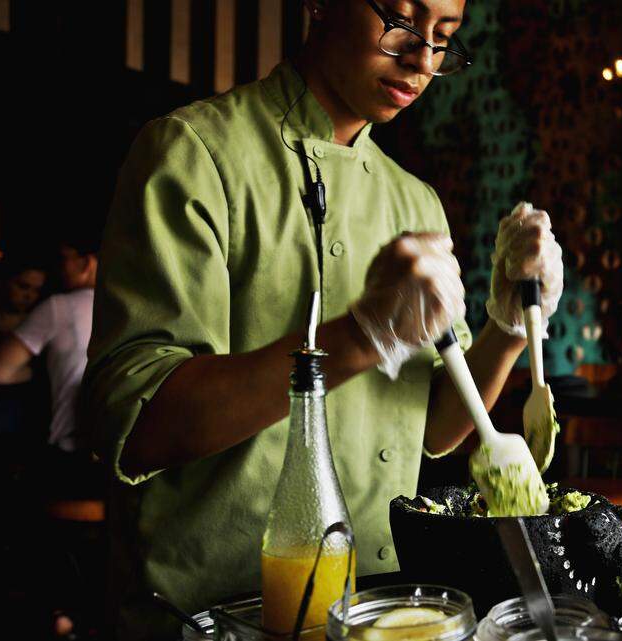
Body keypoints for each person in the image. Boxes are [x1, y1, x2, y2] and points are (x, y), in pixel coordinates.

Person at [83, 1, 564, 638]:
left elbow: (440, 429)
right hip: (215, 612)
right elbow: (139, 421)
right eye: (400, 20)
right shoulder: (194, 153)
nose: (421, 59)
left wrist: (506, 320)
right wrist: (360, 336)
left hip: (376, 606)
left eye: (444, 38)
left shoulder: (411, 199)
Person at [0, 239, 98, 454]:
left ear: (86, 264)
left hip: (72, 450)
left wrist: (40, 370)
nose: (59, 268)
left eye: (64, 259)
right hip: (117, 454)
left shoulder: (59, 306)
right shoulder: (132, 311)